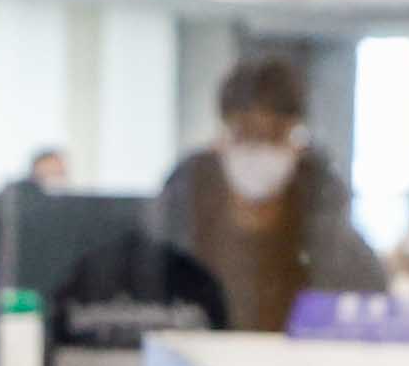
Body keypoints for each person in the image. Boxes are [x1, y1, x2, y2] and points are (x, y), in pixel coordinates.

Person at [148, 48, 383, 338]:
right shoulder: (174, 234)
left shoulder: (342, 256)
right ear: (220, 138)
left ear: (297, 143)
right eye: (244, 132)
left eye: (274, 136)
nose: (259, 149)